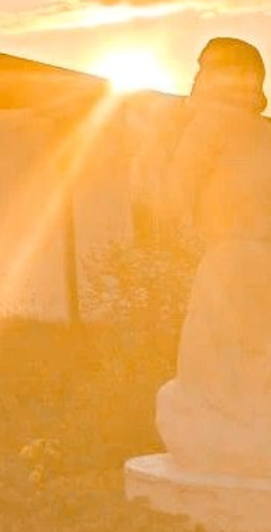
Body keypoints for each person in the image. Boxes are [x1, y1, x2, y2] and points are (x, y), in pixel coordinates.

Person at [156, 37, 271, 477]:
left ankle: (229, 452)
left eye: (204, 68)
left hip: (229, 263)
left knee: (208, 375)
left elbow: (172, 200)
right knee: (255, 367)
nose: (196, 77)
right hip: (265, 263)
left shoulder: (208, 126)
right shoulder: (266, 133)